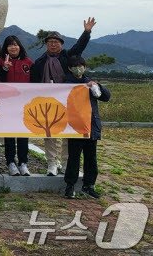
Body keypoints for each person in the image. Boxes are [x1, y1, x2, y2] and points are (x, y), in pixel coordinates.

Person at [30, 17, 97, 176]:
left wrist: (86, 32)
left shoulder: (68, 57)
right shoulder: (39, 62)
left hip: (69, 102)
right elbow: (33, 83)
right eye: (50, 42)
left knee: (68, 133)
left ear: (61, 44)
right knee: (50, 132)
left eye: (56, 41)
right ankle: (52, 163)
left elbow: (79, 47)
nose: (53, 44)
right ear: (46, 44)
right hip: (48, 102)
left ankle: (68, 163)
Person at [64, 56, 111, 199]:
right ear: (69, 68)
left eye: (81, 65)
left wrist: (98, 86)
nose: (78, 68)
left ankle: (89, 185)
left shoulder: (89, 82)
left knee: (91, 158)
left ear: (85, 67)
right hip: (74, 127)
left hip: (91, 125)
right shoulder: (65, 84)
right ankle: (70, 185)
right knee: (74, 157)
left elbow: (106, 97)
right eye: (75, 66)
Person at [0, 36, 33, 176]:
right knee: (9, 134)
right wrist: (4, 68)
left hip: (25, 105)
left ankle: (23, 163)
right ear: (6, 48)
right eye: (10, 45)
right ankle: (10, 162)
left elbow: (36, 83)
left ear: (20, 46)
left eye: (15, 45)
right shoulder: (0, 63)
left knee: (23, 134)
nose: (13, 47)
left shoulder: (28, 62)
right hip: (7, 105)